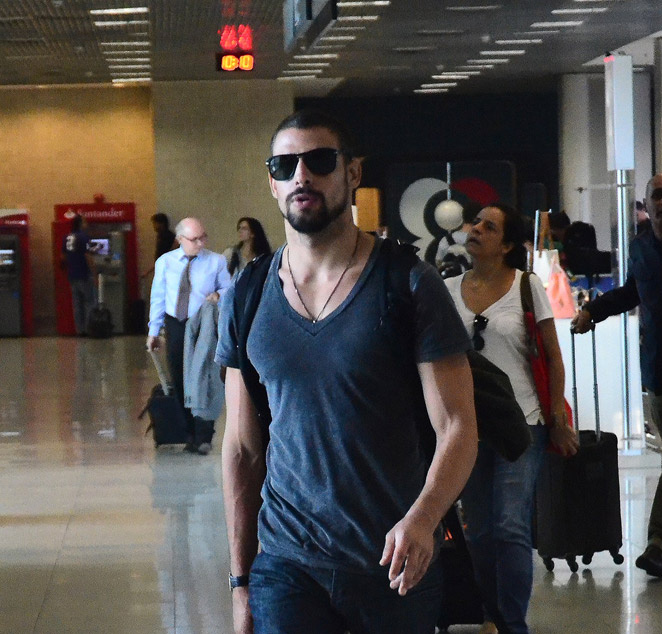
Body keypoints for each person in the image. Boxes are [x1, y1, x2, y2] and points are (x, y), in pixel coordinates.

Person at [215, 110, 479, 634]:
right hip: (289, 567)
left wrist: (424, 520)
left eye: (318, 161)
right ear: (272, 182)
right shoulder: (248, 295)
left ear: (352, 173)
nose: (301, 176)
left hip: (393, 563)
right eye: (285, 164)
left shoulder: (407, 284)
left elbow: (459, 427)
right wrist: (241, 581)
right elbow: (243, 449)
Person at [444, 202, 579, 634]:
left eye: (489, 226)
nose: (477, 229)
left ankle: (513, 622)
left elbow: (553, 358)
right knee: (479, 529)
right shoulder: (447, 290)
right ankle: (490, 614)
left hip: (524, 421)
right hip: (469, 424)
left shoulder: (527, 285)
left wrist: (557, 412)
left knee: (510, 525)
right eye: (476, 222)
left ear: (504, 245)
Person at [572, 172, 662, 578]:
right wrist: (594, 311)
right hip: (656, 371)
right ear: (647, 203)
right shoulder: (640, 248)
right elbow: (632, 292)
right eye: (657, 195)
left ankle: (659, 544)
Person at [147, 217, 230, 455]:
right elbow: (158, 297)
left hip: (203, 326)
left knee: (204, 377)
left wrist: (218, 295)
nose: (200, 243)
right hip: (177, 324)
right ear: (180, 239)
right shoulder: (166, 262)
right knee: (180, 377)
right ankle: (189, 431)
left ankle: (204, 434)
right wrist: (154, 331)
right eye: (194, 239)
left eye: (203, 237)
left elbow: (229, 288)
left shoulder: (216, 261)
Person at [61, 214, 96, 336]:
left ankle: (79, 330)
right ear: (80, 223)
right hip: (84, 274)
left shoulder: (66, 237)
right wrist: (94, 273)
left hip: (72, 275)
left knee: (77, 304)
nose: (86, 224)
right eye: (85, 221)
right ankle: (89, 329)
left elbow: (63, 257)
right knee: (89, 302)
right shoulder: (84, 237)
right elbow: (88, 255)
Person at [141, 213, 178, 279]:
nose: (154, 226)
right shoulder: (161, 237)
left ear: (162, 224)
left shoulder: (167, 237)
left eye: (155, 223)